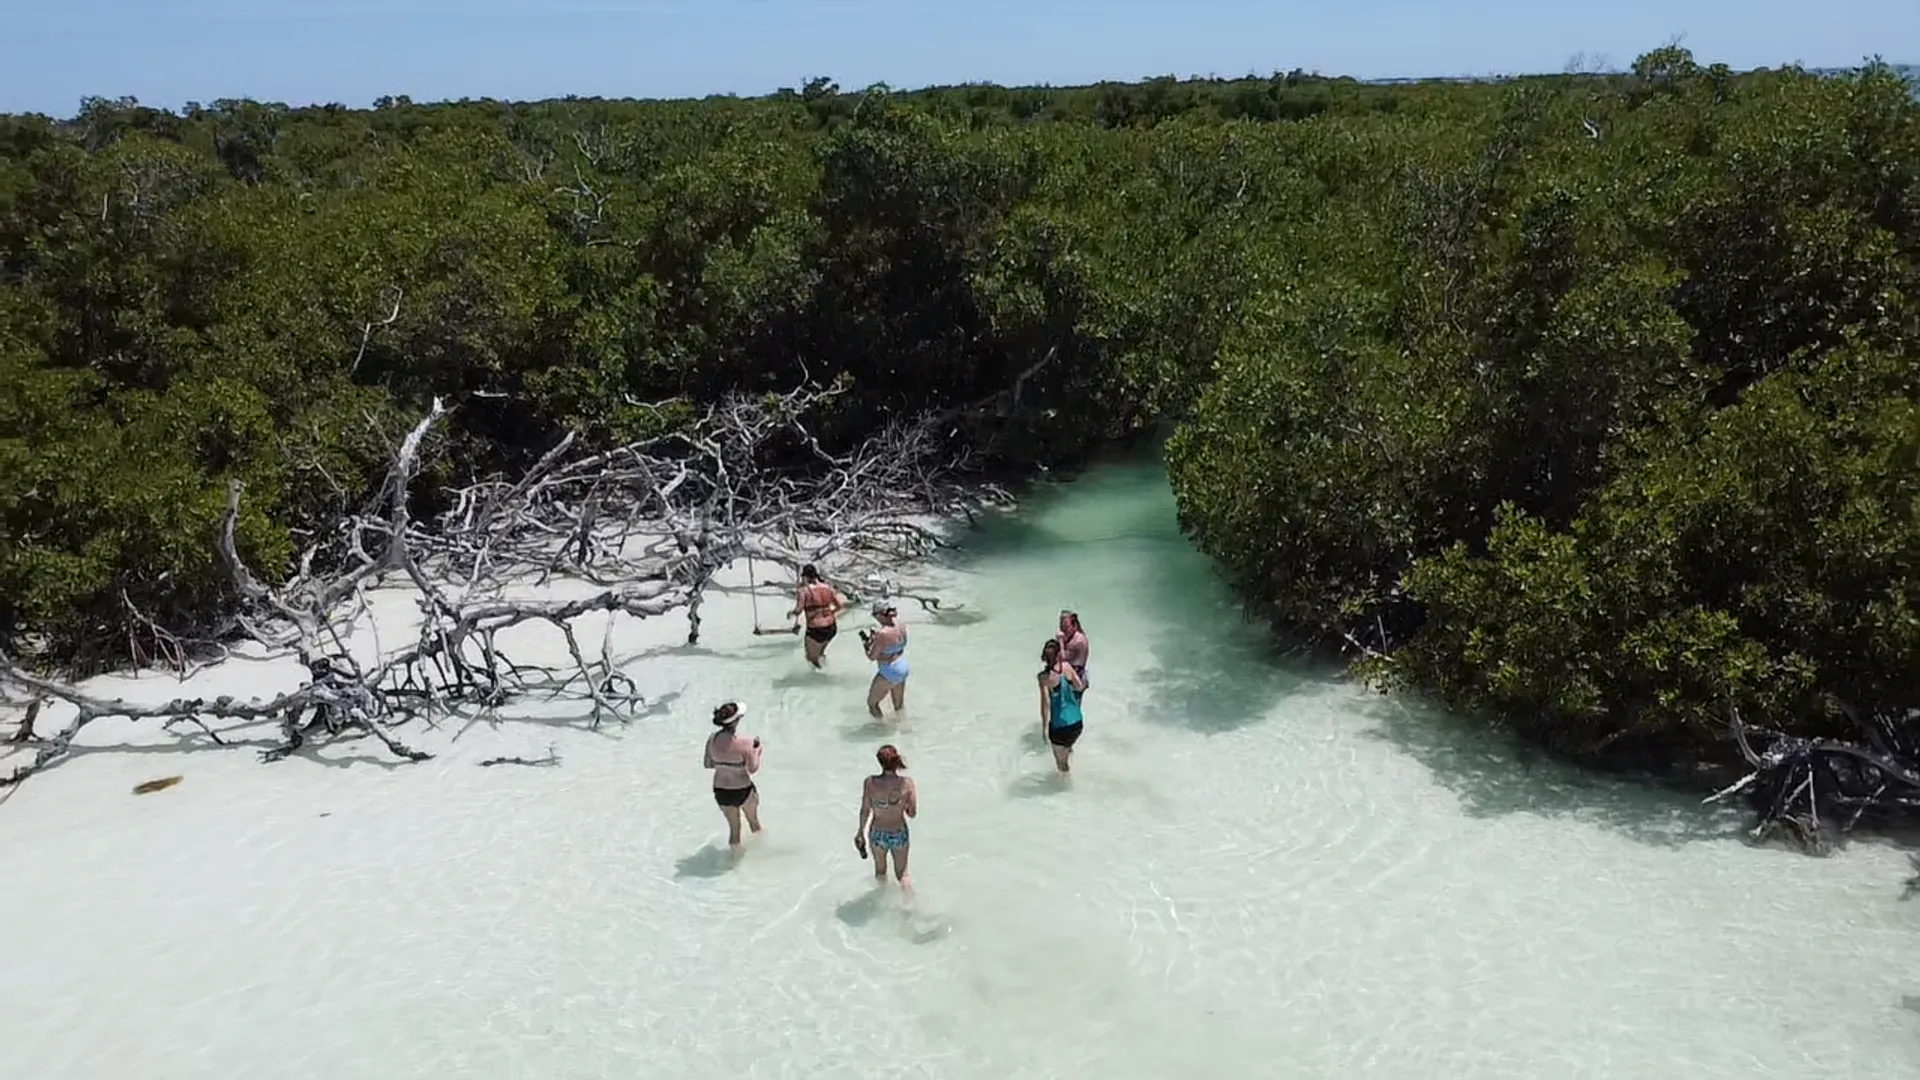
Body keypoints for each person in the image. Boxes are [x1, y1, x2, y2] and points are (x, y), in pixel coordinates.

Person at [854, 744, 918, 890]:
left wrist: (860, 832)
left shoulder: (870, 783)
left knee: (880, 872)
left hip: (877, 833)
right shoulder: (907, 783)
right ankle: (908, 902)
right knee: (902, 874)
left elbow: (865, 810)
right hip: (898, 832)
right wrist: (900, 804)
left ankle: (881, 899)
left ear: (880, 762)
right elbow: (912, 813)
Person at [702, 702, 763, 850]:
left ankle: (734, 858)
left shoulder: (712, 739)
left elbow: (708, 764)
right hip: (743, 789)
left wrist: (724, 763)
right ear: (736, 721)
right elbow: (752, 768)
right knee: (754, 823)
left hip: (721, 791)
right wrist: (757, 751)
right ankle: (761, 852)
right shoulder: (746, 742)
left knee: (734, 831)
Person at [1037, 639, 1086, 774]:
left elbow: (1045, 705)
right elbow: (1079, 686)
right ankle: (1074, 767)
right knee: (1068, 747)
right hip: (1077, 723)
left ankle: (1066, 784)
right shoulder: (1067, 667)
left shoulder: (1043, 678)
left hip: (1059, 728)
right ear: (1059, 654)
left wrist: (1044, 728)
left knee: (1061, 765)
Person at [789, 564, 847, 669]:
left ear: (805, 577)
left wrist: (790, 613)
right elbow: (839, 606)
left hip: (816, 629)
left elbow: (798, 610)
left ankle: (821, 676)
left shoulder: (803, 591)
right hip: (831, 627)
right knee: (820, 654)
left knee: (811, 659)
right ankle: (828, 669)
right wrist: (829, 613)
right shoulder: (828, 587)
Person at [862, 600, 909, 719]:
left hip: (889, 670)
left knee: (872, 704)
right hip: (902, 666)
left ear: (880, 615)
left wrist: (867, 645)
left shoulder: (883, 633)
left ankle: (882, 728)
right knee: (899, 705)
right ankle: (902, 725)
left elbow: (872, 657)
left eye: (874, 615)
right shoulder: (901, 624)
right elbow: (900, 647)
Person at [1056, 609, 1090, 693]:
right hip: (1071, 676)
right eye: (1061, 626)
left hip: (1077, 679)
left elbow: (1062, 658)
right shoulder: (1069, 637)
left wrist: (1060, 642)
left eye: (1066, 627)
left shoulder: (1078, 641)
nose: (1062, 630)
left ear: (1074, 626)